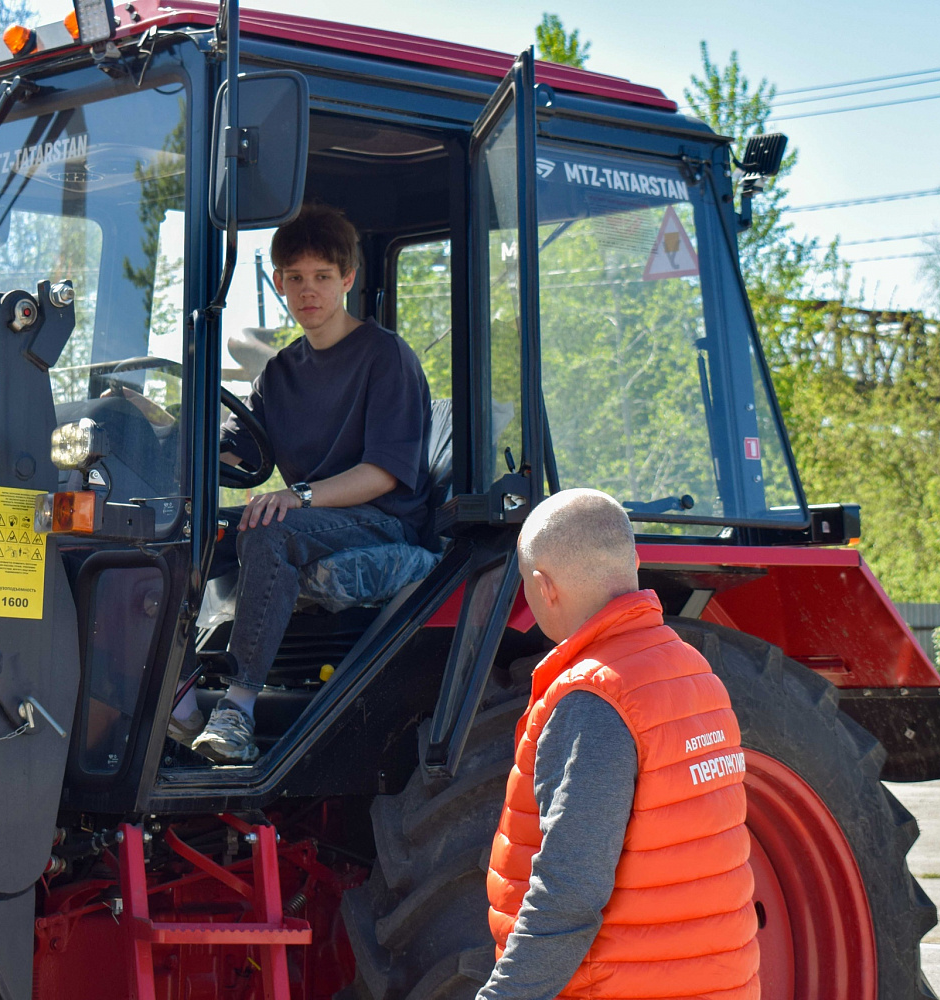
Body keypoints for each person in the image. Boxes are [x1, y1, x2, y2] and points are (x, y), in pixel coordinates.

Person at [171, 203, 433, 763]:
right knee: (182, 530)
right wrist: (172, 442)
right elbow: (243, 448)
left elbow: (383, 473)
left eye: (321, 277)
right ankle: (175, 690)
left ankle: (236, 710)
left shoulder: (385, 357)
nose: (307, 291)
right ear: (278, 282)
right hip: (310, 520)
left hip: (382, 522)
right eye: (295, 278)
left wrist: (300, 495)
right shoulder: (279, 372)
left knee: (271, 530)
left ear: (347, 279)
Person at [480, 489, 759, 1000]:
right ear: (634, 561)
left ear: (544, 587)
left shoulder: (594, 699)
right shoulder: (696, 674)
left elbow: (571, 890)